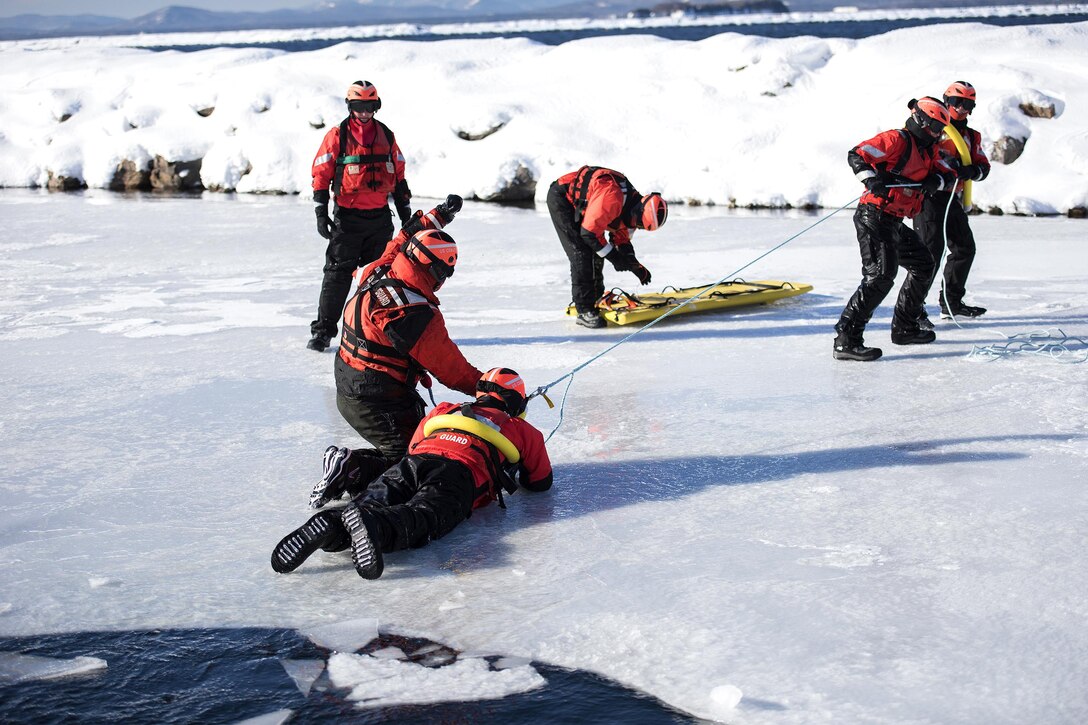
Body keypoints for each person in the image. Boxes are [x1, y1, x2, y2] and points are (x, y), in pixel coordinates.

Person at [271, 368, 553, 580]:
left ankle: (331, 526)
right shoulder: (521, 429)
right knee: (425, 515)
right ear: (515, 401)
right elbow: (540, 482)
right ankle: (375, 525)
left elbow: (413, 446)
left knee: (371, 499)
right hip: (459, 471)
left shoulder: (446, 409)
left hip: (414, 462)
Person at [331, 193, 484, 474]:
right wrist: (491, 389)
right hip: (374, 398)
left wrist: (440, 215)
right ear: (435, 271)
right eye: (445, 273)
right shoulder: (413, 312)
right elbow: (452, 370)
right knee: (413, 461)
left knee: (417, 445)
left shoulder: (382, 269)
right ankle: (350, 469)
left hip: (348, 380)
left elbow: (402, 239)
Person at [834, 97, 957, 361]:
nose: (938, 133)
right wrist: (871, 178)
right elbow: (858, 154)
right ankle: (846, 339)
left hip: (893, 221)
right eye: (935, 127)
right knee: (880, 275)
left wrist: (935, 181)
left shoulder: (929, 150)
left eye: (941, 129)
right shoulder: (895, 140)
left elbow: (946, 172)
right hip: (873, 216)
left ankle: (904, 327)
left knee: (924, 265)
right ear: (921, 120)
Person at [308, 80, 413, 352]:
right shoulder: (338, 136)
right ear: (350, 106)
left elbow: (399, 177)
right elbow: (321, 173)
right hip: (347, 220)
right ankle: (323, 332)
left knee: (377, 279)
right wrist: (321, 212)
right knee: (338, 276)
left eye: (369, 106)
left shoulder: (386, 135)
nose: (364, 112)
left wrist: (405, 216)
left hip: (379, 220)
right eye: (358, 106)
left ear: (376, 106)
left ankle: (374, 332)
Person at [548, 165, 668, 328]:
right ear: (638, 211)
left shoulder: (631, 202)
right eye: (639, 223)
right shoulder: (613, 196)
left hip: (585, 206)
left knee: (596, 252)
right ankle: (584, 309)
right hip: (563, 199)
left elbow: (621, 237)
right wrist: (614, 258)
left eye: (640, 227)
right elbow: (589, 233)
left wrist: (634, 266)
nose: (636, 226)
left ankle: (595, 297)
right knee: (581, 253)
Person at [914, 81, 992, 324]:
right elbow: (922, 157)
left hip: (952, 199)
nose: (962, 108)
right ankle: (914, 311)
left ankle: (951, 302)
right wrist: (949, 169)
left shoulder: (971, 136)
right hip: (929, 198)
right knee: (929, 255)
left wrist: (972, 171)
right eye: (958, 102)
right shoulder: (934, 128)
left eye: (968, 104)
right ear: (946, 101)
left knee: (964, 248)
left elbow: (983, 165)